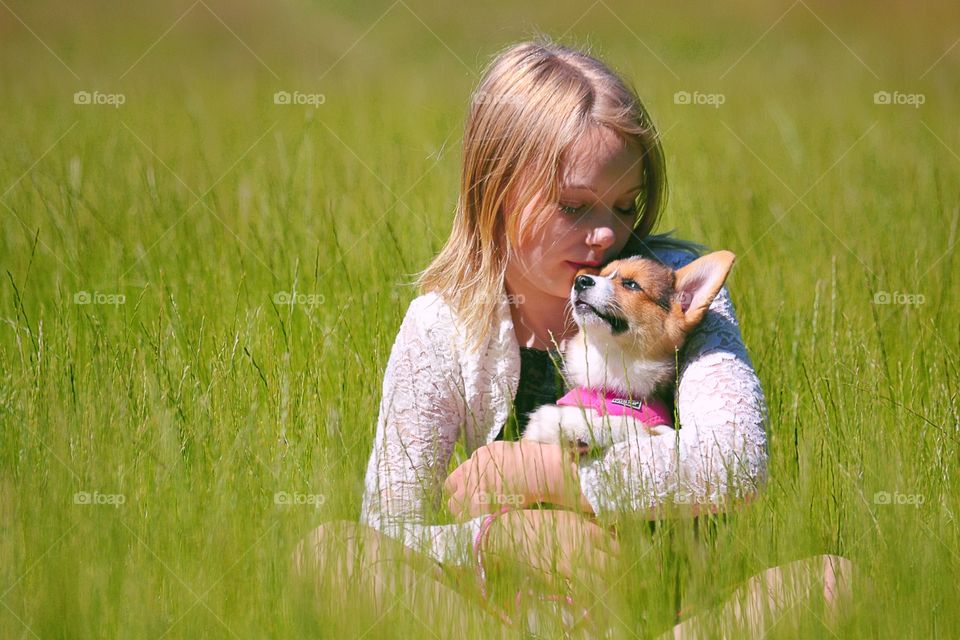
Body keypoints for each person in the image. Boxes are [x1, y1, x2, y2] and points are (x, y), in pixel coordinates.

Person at [292, 38, 852, 638]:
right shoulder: (442, 325)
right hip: (505, 610)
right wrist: (505, 537)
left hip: (670, 610)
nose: (608, 234)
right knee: (329, 553)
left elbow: (737, 463)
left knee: (835, 585)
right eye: (573, 206)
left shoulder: (669, 292)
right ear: (495, 192)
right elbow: (387, 522)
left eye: (625, 205)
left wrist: (553, 478)